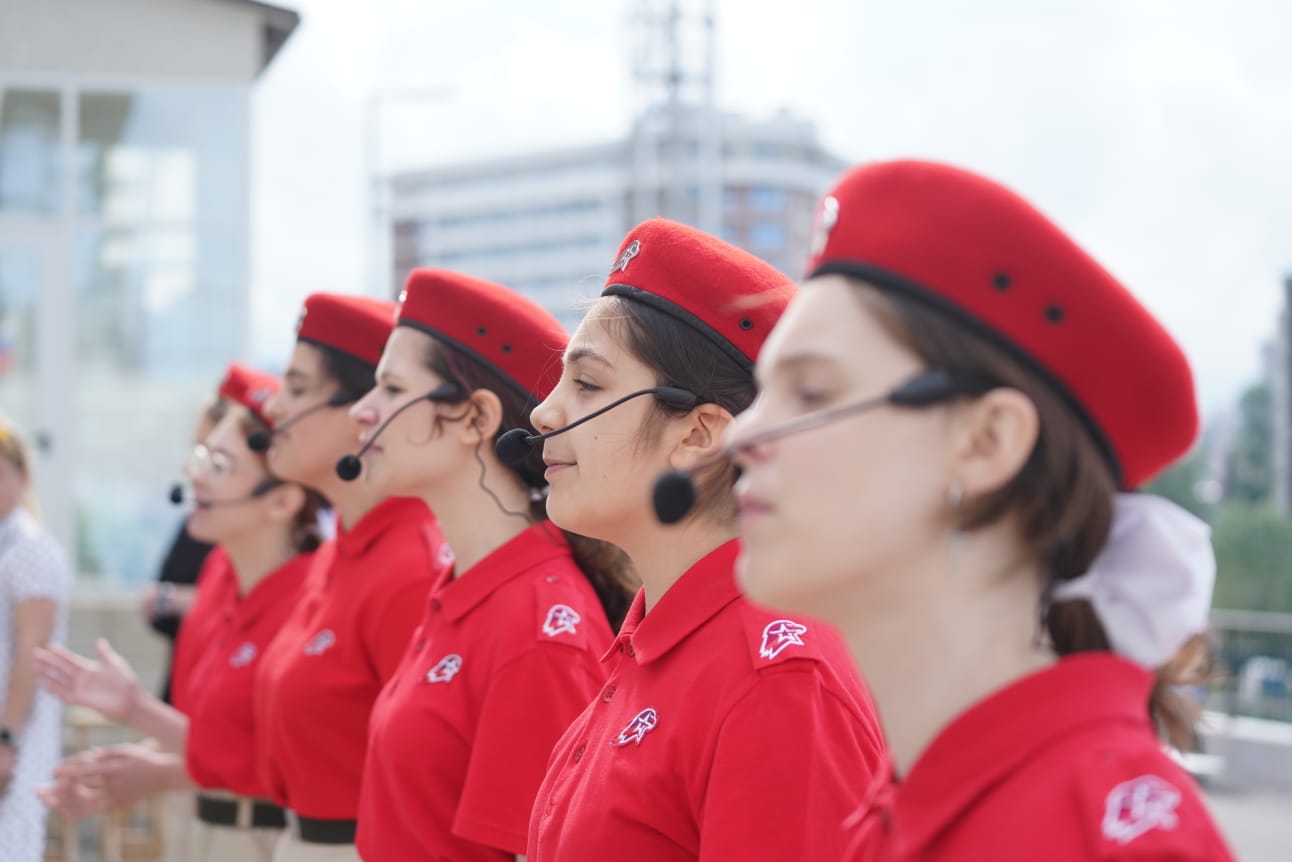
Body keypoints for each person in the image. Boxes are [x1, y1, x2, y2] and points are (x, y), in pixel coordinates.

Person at [725, 159, 1235, 859]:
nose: (741, 434)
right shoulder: (900, 807)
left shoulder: (1104, 839)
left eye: (811, 393)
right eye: (758, 393)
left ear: (988, 442)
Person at [524, 219, 888, 861]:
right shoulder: (657, 642)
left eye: (585, 385)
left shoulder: (775, 683)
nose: (544, 413)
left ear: (698, 434)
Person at [350, 268, 635, 860]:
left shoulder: (535, 627)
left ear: (476, 419)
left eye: (392, 389)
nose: (362, 410)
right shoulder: (468, 586)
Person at [36, 365, 323, 862]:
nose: (194, 475)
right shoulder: (217, 575)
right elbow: (212, 733)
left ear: (282, 500)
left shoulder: (314, 601)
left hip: (263, 839)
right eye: (202, 456)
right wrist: (119, 770)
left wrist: (140, 725)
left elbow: (280, 765)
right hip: (198, 823)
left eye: (220, 464)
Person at [255, 292, 452, 862]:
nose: (271, 408)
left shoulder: (413, 566)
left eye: (296, 388)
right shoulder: (341, 550)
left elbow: (423, 781)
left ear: (362, 407)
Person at [0, 417, 72, 862]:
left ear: (22, 477)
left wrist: (5, 738)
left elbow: (32, 651)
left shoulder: (29, 548)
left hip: (16, 740)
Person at [142, 394, 223, 705]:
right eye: (196, 451)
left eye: (215, 459)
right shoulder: (198, 524)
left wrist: (178, 600)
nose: (193, 471)